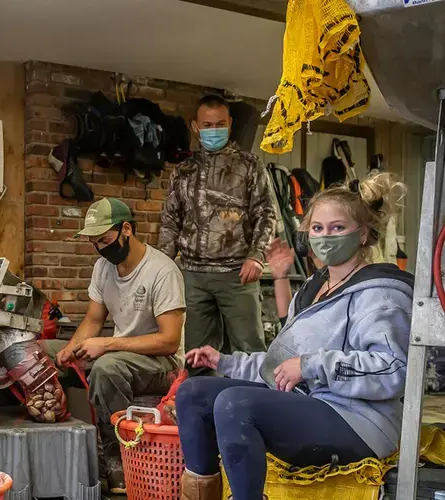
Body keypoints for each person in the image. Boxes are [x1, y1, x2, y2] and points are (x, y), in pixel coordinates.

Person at [175, 174, 412, 500]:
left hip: (358, 420)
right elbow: (285, 365)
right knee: (193, 393)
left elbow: (392, 370)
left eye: (337, 228)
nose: (325, 236)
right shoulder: (317, 288)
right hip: (311, 401)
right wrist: (224, 361)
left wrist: (312, 366)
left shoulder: (381, 293)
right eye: (317, 228)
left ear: (363, 235)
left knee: (236, 405)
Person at [43, 197, 186, 495]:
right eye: (94, 242)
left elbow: (169, 342)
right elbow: (93, 321)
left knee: (107, 368)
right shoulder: (103, 268)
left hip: (162, 364)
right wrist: (70, 349)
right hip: (121, 354)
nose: (100, 248)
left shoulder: (162, 271)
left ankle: (118, 461)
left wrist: (106, 345)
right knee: (42, 352)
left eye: (104, 240)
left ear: (126, 230)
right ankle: (57, 449)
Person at [158, 94, 277, 374]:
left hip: (237, 274)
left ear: (230, 124)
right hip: (192, 276)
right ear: (195, 127)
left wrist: (257, 256)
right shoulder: (183, 171)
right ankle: (204, 410)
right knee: (197, 355)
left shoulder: (250, 166)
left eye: (220, 124)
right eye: (208, 125)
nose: (214, 130)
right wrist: (163, 267)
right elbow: (170, 221)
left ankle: (257, 408)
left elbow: (266, 213)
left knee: (250, 349)